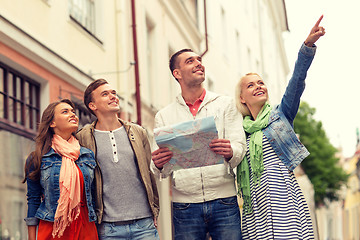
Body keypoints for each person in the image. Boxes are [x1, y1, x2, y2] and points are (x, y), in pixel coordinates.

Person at [235, 16, 326, 240]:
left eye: (260, 82)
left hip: (285, 202)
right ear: (242, 97)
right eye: (251, 85)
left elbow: (296, 81)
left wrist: (307, 47)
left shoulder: (280, 115)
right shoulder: (238, 131)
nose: (258, 86)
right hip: (255, 208)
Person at [151, 48, 246, 240]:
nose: (198, 63)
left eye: (199, 59)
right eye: (190, 61)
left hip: (224, 200)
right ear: (177, 74)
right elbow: (158, 169)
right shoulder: (164, 116)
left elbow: (240, 147)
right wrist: (159, 163)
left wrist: (230, 151)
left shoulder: (225, 104)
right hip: (184, 205)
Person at [76, 79, 160, 240]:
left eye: (114, 93)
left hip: (144, 224)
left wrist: (154, 209)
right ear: (93, 105)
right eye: (105, 94)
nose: (113, 96)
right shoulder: (83, 137)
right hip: (108, 227)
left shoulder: (138, 132)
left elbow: (148, 173)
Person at [24, 99, 98, 240]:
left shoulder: (87, 155)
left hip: (85, 225)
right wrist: (31, 237)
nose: (73, 115)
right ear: (52, 123)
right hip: (53, 227)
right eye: (65, 112)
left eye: (73, 112)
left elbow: (94, 197)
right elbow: (33, 200)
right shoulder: (37, 158)